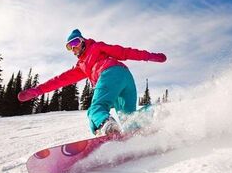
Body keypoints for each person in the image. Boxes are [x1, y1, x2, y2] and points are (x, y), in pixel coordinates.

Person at [18, 29, 167, 136]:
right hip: (126, 79)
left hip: (110, 73)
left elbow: (124, 52)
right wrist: (37, 90)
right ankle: (153, 113)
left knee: (96, 109)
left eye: (75, 42)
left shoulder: (96, 47)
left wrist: (150, 56)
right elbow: (59, 80)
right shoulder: (81, 67)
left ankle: (108, 127)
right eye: (69, 47)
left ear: (83, 41)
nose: (74, 48)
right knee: (129, 121)